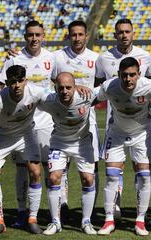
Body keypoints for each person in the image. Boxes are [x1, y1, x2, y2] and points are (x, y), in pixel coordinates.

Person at [96, 57, 151, 236]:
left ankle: (140, 221)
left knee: (144, 177)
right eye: (125, 75)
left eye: (132, 75)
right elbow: (92, 96)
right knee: (111, 176)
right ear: (119, 75)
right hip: (116, 134)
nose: (128, 79)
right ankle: (109, 220)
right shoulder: (109, 86)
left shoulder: (150, 86)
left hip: (142, 134)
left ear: (139, 74)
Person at [0, 20, 55, 228]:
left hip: (45, 122)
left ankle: (50, 212)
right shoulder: (14, 59)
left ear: (43, 35)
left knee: (47, 169)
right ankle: (22, 212)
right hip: (20, 124)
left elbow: (61, 83)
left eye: (38, 34)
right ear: (25, 36)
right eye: (30, 35)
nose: (34, 38)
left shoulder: (52, 57)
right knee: (22, 168)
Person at [95, 18, 151, 220]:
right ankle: (115, 207)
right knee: (113, 170)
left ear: (133, 34)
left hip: (141, 123)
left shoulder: (146, 57)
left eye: (127, 31)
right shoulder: (103, 59)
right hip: (115, 122)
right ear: (115, 35)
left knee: (142, 170)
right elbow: (98, 89)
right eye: (120, 32)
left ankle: (140, 214)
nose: (124, 35)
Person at [0, 65, 45, 235]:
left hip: (27, 134)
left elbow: (57, 98)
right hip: (3, 137)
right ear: (7, 83)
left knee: (35, 172)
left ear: (25, 81)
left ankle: (32, 219)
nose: (17, 85)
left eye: (20, 81)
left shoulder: (36, 92)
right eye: (12, 82)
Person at [51, 20, 100, 223]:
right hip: (62, 118)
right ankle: (63, 204)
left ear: (86, 35)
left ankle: (89, 213)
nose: (77, 38)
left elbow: (101, 84)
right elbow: (50, 80)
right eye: (73, 35)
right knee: (62, 165)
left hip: (88, 118)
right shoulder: (57, 57)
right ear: (68, 36)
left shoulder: (96, 58)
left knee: (91, 166)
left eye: (81, 34)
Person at [39, 72, 97, 235]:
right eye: (61, 88)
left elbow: (110, 88)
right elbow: (28, 93)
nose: (64, 91)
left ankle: (86, 222)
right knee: (53, 177)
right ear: (55, 88)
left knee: (88, 179)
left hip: (82, 143)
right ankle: (55, 222)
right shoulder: (49, 100)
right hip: (59, 143)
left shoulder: (86, 95)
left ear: (75, 87)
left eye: (68, 87)